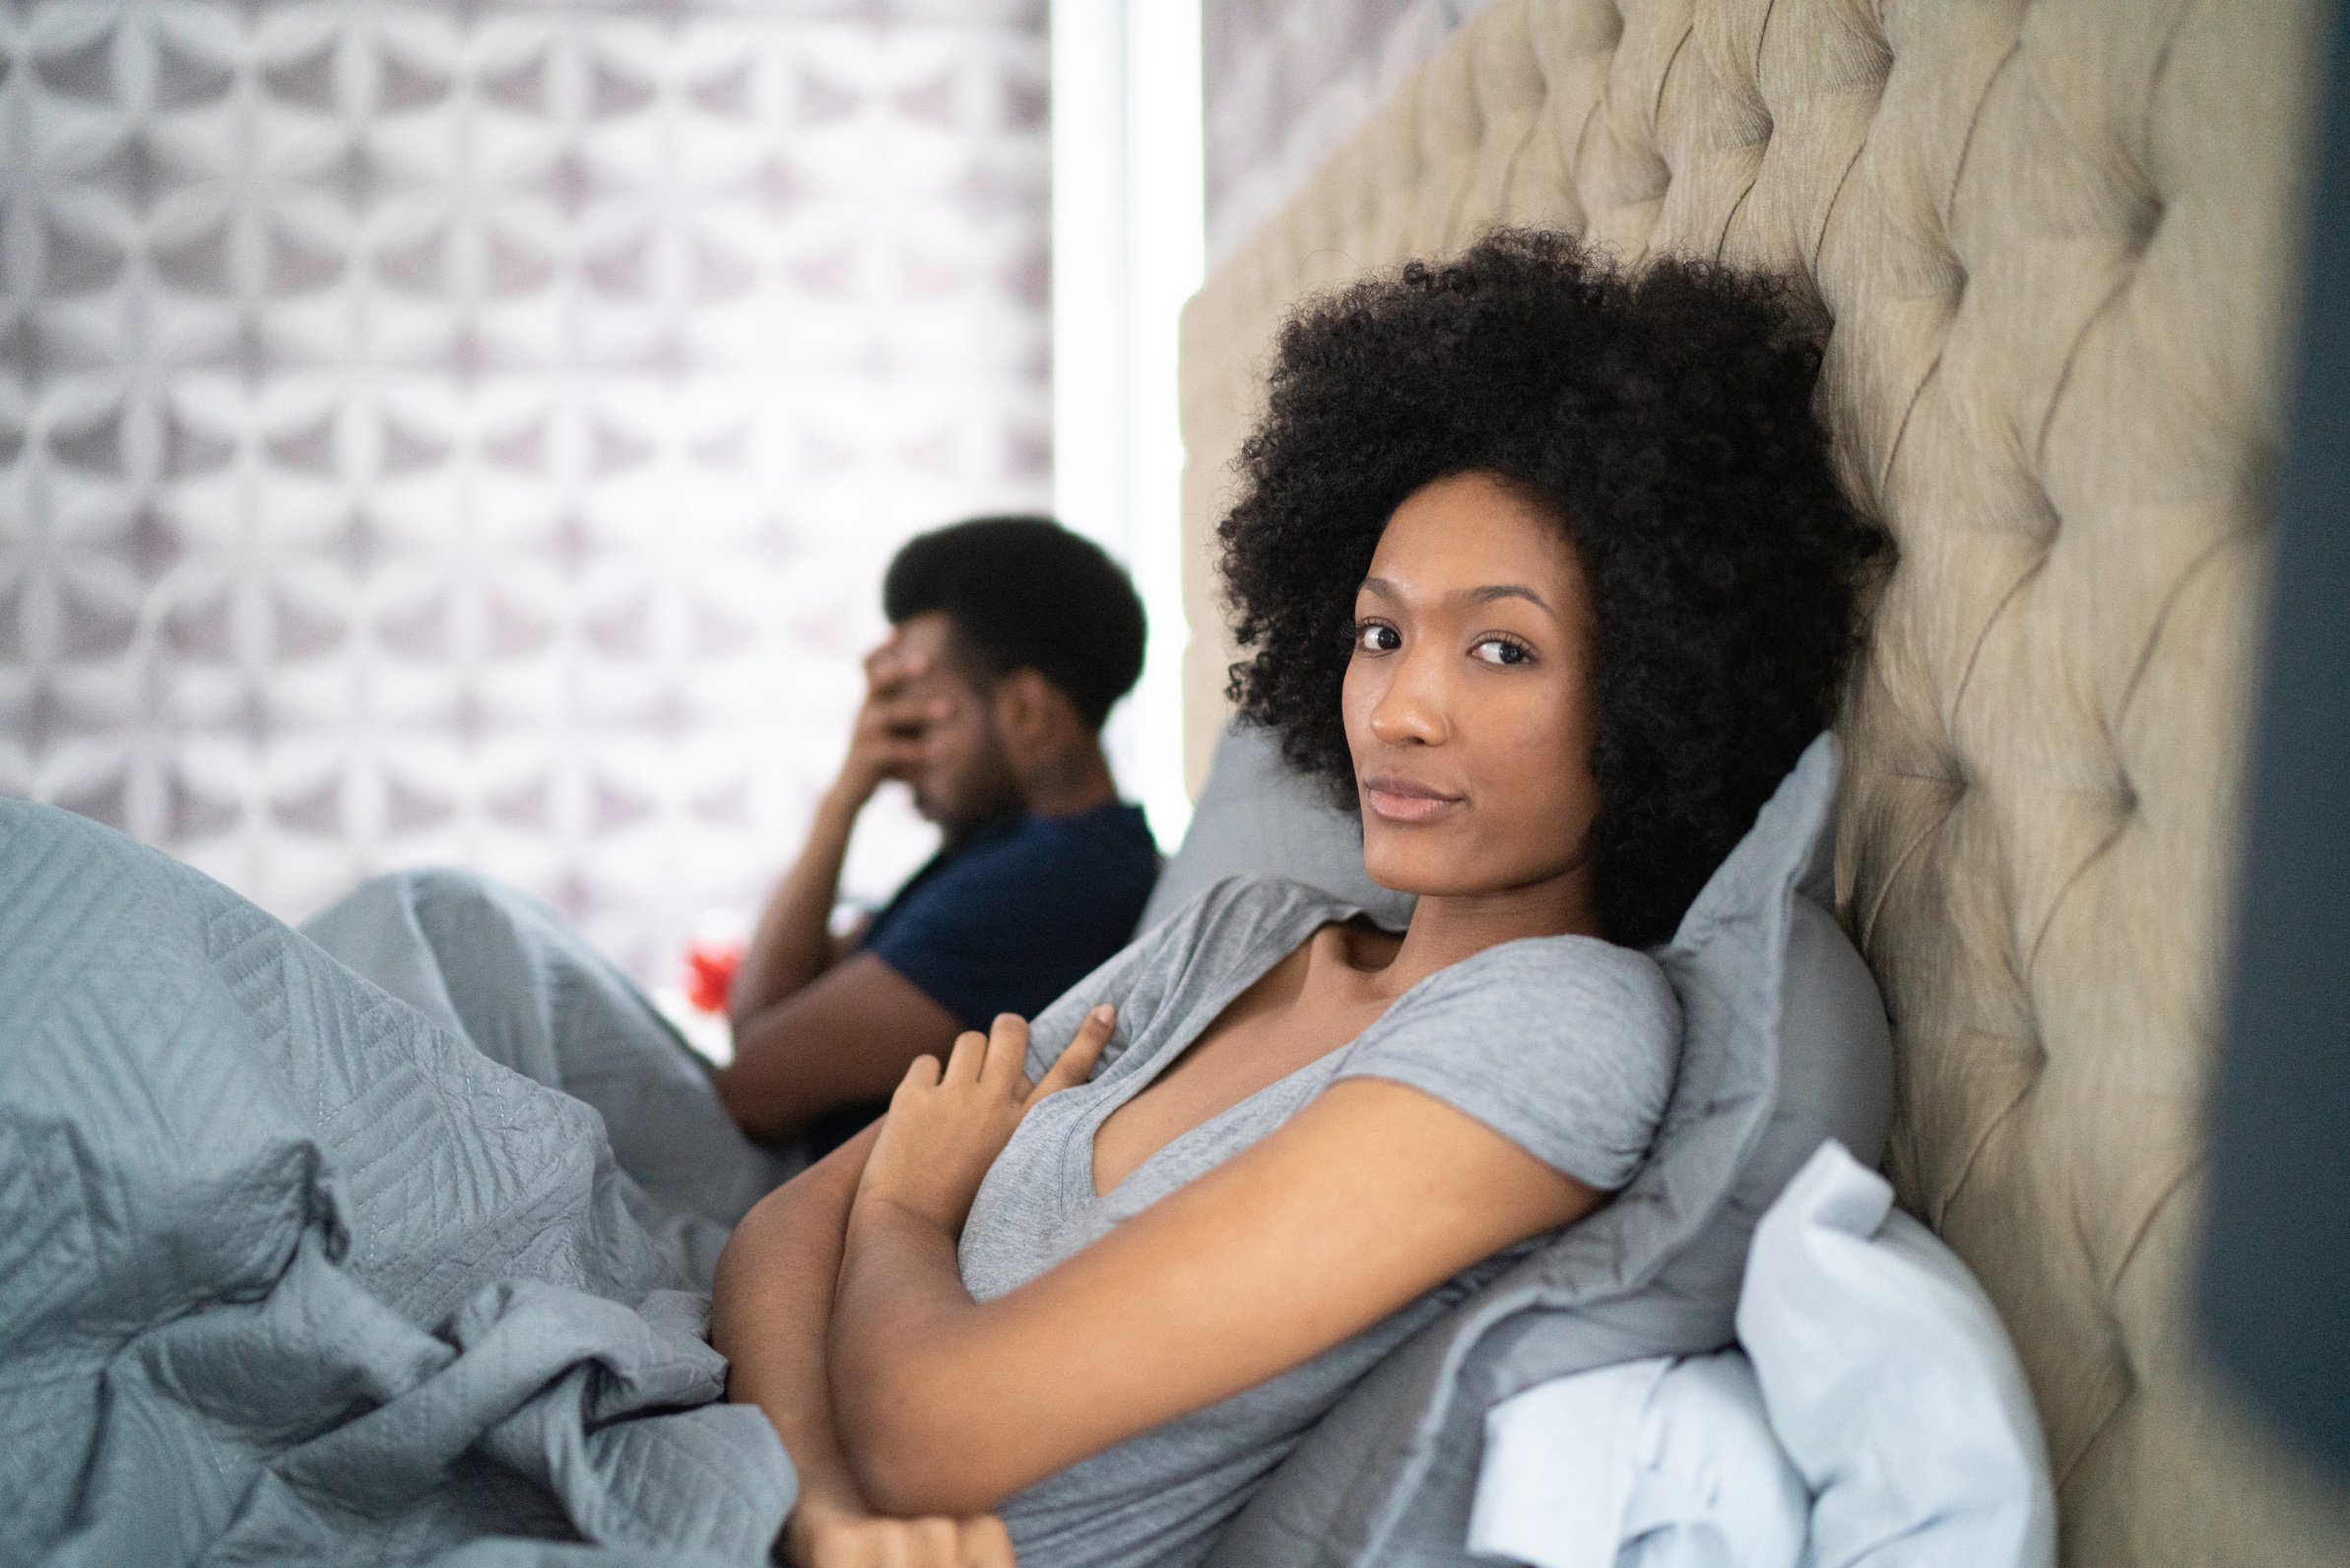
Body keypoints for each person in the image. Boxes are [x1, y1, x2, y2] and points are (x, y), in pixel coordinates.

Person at [711, 229, 1884, 1567]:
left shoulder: (1558, 1030)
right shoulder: (1241, 928)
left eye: (1502, 649)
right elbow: (775, 1232)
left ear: (1655, 696)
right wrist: (818, 1511)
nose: (1402, 708)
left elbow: (942, 1431)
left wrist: (911, 1213)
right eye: (1379, 633)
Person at [715, 516, 1162, 1148]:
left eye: (919, 718)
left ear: (1026, 712)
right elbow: (768, 1013)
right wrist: (845, 797)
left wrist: (842, 801)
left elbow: (751, 1087)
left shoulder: (1045, 882)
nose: (894, 753)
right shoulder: (1018, 854)